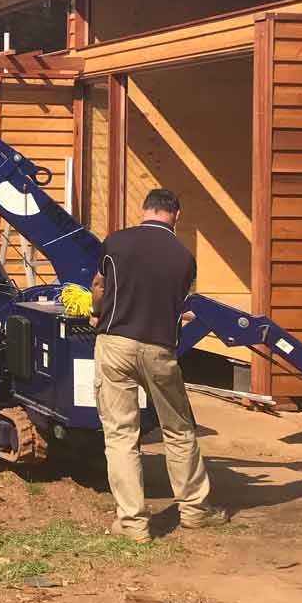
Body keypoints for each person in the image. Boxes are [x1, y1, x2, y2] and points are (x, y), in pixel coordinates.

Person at [90, 188, 228, 542]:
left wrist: (96, 313)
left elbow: (99, 286)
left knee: (121, 435)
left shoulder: (116, 242)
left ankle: (133, 524)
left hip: (115, 343)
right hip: (159, 349)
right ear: (176, 215)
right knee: (179, 430)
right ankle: (195, 511)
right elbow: (179, 305)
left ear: (143, 210)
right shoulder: (184, 257)